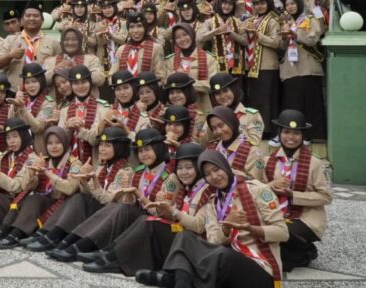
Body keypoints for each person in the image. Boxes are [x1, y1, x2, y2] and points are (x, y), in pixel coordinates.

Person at [142, 150, 287, 288]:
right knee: (185, 236)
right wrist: (226, 228)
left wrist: (250, 228)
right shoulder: (213, 203)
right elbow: (213, 240)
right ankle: (181, 283)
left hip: (260, 267)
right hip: (228, 264)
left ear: (225, 166)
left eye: (217, 169)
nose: (215, 176)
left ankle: (172, 279)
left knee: (223, 256)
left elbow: (283, 232)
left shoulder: (257, 190)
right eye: (208, 174)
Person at [83, 142, 208, 276]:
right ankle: (110, 253)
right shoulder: (185, 187)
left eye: (188, 167)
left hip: (191, 239)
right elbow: (167, 215)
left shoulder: (206, 190)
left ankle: (115, 258)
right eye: (180, 168)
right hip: (178, 229)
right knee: (145, 219)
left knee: (150, 222)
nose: (183, 172)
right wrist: (162, 207)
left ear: (199, 167)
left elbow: (198, 226)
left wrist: (171, 210)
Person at [44, 126, 134, 260]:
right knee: (78, 197)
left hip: (111, 214)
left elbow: (108, 200)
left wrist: (94, 182)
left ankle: (76, 246)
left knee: (89, 202)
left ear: (119, 147)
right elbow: (89, 192)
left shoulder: (125, 171)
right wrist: (84, 179)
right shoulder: (103, 166)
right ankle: (57, 237)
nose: (102, 149)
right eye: (101, 145)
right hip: (99, 209)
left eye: (108, 145)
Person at [258, 109, 331, 271]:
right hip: (275, 213)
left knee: (279, 232)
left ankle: (306, 251)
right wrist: (272, 186)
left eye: (296, 133)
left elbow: (326, 197)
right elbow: (258, 190)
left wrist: (292, 194)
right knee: (260, 234)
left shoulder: (315, 163)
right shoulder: (268, 160)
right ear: (279, 133)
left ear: (303, 136)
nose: (291, 137)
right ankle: (296, 254)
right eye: (286, 132)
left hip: (306, 218)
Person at [0, 126, 80, 249]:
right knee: (29, 197)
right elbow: (26, 187)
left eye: (58, 142)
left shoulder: (75, 164)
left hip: (61, 203)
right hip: (44, 200)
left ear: (64, 143)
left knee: (35, 199)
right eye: (49, 143)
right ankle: (8, 230)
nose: (54, 147)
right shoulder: (43, 160)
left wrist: (48, 173)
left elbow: (70, 189)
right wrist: (33, 174)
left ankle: (18, 234)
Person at [279, 0, 326, 140]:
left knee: (311, 103)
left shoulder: (310, 19)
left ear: (299, 4)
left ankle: (315, 135)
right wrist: (284, 36)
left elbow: (312, 39)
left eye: (293, 3)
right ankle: (295, 136)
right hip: (291, 69)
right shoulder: (288, 23)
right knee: (294, 104)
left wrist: (294, 33)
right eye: (287, 5)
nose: (290, 7)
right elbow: (281, 46)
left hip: (307, 67)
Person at [242, 0, 282, 140]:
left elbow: (277, 42)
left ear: (268, 3)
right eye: (256, 3)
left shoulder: (273, 20)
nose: (259, 6)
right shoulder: (252, 20)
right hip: (251, 66)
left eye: (262, 3)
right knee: (255, 100)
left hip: (267, 66)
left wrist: (258, 35)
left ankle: (270, 131)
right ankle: (257, 130)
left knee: (267, 100)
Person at [0, 1, 61, 89]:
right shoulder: (10, 40)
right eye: (28, 15)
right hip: (15, 93)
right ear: (22, 21)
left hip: (43, 93)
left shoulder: (53, 42)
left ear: (42, 20)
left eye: (36, 16)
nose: (32, 18)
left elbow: (60, 66)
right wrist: (10, 55)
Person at [58, 65, 109, 165]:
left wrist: (80, 129)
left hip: (96, 164)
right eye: (76, 83)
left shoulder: (103, 108)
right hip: (70, 165)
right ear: (71, 86)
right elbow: (60, 142)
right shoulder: (64, 110)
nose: (80, 86)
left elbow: (96, 140)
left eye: (84, 82)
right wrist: (67, 128)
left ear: (90, 83)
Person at [163, 23, 219, 110]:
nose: (182, 39)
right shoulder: (170, 60)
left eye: (185, 35)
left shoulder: (208, 58)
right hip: (177, 109)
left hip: (202, 107)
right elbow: (165, 84)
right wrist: (174, 75)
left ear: (192, 35)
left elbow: (212, 84)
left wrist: (188, 82)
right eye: (177, 37)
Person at [205, 73, 264, 146]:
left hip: (243, 156)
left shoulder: (251, 115)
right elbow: (204, 142)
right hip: (218, 155)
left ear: (234, 90)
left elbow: (254, 142)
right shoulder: (212, 117)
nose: (222, 96)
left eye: (225, 91)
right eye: (217, 94)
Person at [204, 106, 264, 177]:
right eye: (214, 128)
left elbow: (256, 183)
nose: (218, 131)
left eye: (221, 125)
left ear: (231, 122)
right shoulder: (211, 149)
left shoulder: (252, 151)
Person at [112, 13, 165, 77]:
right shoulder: (120, 50)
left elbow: (160, 76)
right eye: (131, 27)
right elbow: (112, 74)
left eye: (139, 26)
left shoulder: (156, 48)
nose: (136, 30)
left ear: (145, 28)